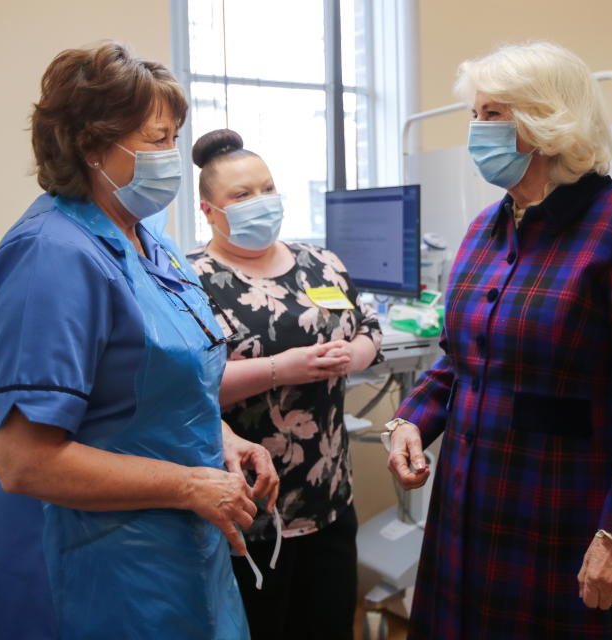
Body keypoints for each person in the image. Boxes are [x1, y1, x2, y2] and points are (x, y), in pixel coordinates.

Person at [0, 43, 278, 640]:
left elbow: (163, 386)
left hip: (175, 546)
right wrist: (190, 484)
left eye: (174, 139)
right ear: (91, 146)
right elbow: (23, 461)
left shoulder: (148, 242)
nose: (172, 157)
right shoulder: (50, 258)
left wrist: (225, 441)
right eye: (156, 140)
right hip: (94, 568)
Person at [384, 41, 612, 639]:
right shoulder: (484, 228)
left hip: (561, 507)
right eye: (476, 114)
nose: (476, 130)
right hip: (466, 498)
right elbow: (458, 362)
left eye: (493, 114)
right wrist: (410, 421)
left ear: (548, 122)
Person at [186, 129, 383, 640]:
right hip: (247, 510)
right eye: (241, 195)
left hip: (329, 498)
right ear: (209, 210)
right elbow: (187, 387)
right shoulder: (191, 280)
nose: (261, 203)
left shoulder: (321, 263)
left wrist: (351, 355)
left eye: (267, 189)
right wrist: (282, 368)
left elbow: (368, 329)